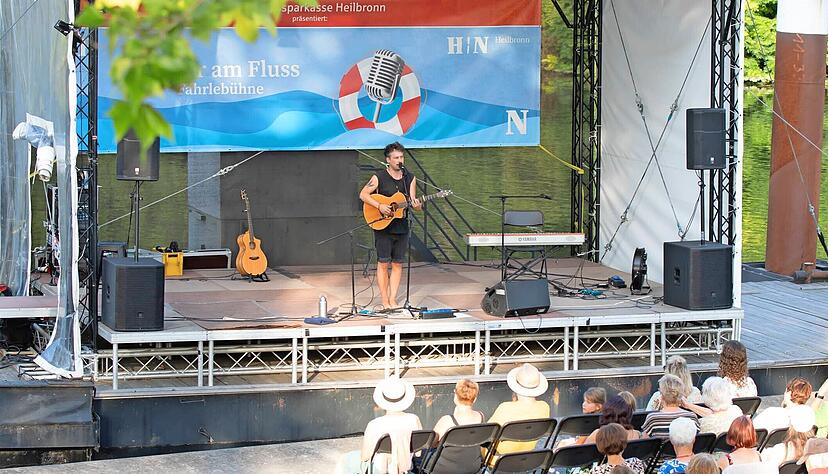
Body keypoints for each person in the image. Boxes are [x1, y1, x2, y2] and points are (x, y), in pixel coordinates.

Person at [359, 142, 421, 310]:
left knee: (398, 263)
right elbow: (363, 194)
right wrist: (379, 206)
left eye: (401, 157)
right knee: (383, 262)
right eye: (396, 158)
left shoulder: (410, 178)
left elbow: (415, 204)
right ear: (388, 160)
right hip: (382, 224)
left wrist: (417, 204)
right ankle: (384, 300)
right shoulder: (378, 177)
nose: (399, 161)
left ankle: (393, 299)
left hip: (401, 224)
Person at [336, 376, 422, 474]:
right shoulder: (414, 419)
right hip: (405, 468)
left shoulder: (374, 424)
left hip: (379, 469)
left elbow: (365, 457)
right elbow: (418, 453)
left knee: (345, 459)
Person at [487, 363, 550, 466]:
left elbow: (488, 434)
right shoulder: (544, 407)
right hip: (525, 460)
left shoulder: (505, 408)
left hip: (499, 460)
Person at [428, 379, 485, 472]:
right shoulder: (480, 416)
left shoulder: (447, 420)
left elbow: (432, 443)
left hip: (446, 469)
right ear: (474, 399)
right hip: (472, 468)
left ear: (455, 395)